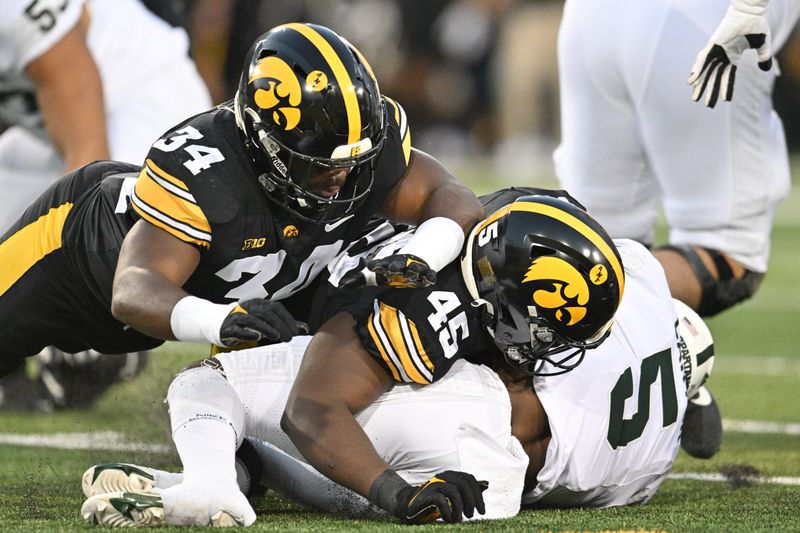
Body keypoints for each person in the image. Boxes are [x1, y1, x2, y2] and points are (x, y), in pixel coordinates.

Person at [79, 198, 718, 526]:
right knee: (328, 434)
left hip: (476, 426)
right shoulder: (649, 452)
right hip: (510, 487)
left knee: (208, 378)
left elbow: (315, 408)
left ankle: (218, 471)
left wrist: (395, 492)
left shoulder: (633, 267)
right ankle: (238, 465)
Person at [0, 23, 483, 392]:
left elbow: (454, 197)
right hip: (78, 257)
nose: (340, 178)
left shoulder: (360, 154)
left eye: (354, 162)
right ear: (264, 144)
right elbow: (132, 289)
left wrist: (426, 251)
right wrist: (223, 320)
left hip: (241, 284)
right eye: (318, 165)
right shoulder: (210, 174)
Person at [0, 0, 213, 411]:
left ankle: (113, 342)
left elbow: (87, 172)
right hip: (53, 136)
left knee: (88, 250)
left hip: (151, 116)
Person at [554, 0, 800, 318]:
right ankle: (552, 316)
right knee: (727, 259)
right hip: (702, 20)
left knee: (593, 242)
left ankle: (497, 318)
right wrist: (750, 9)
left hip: (588, 16)